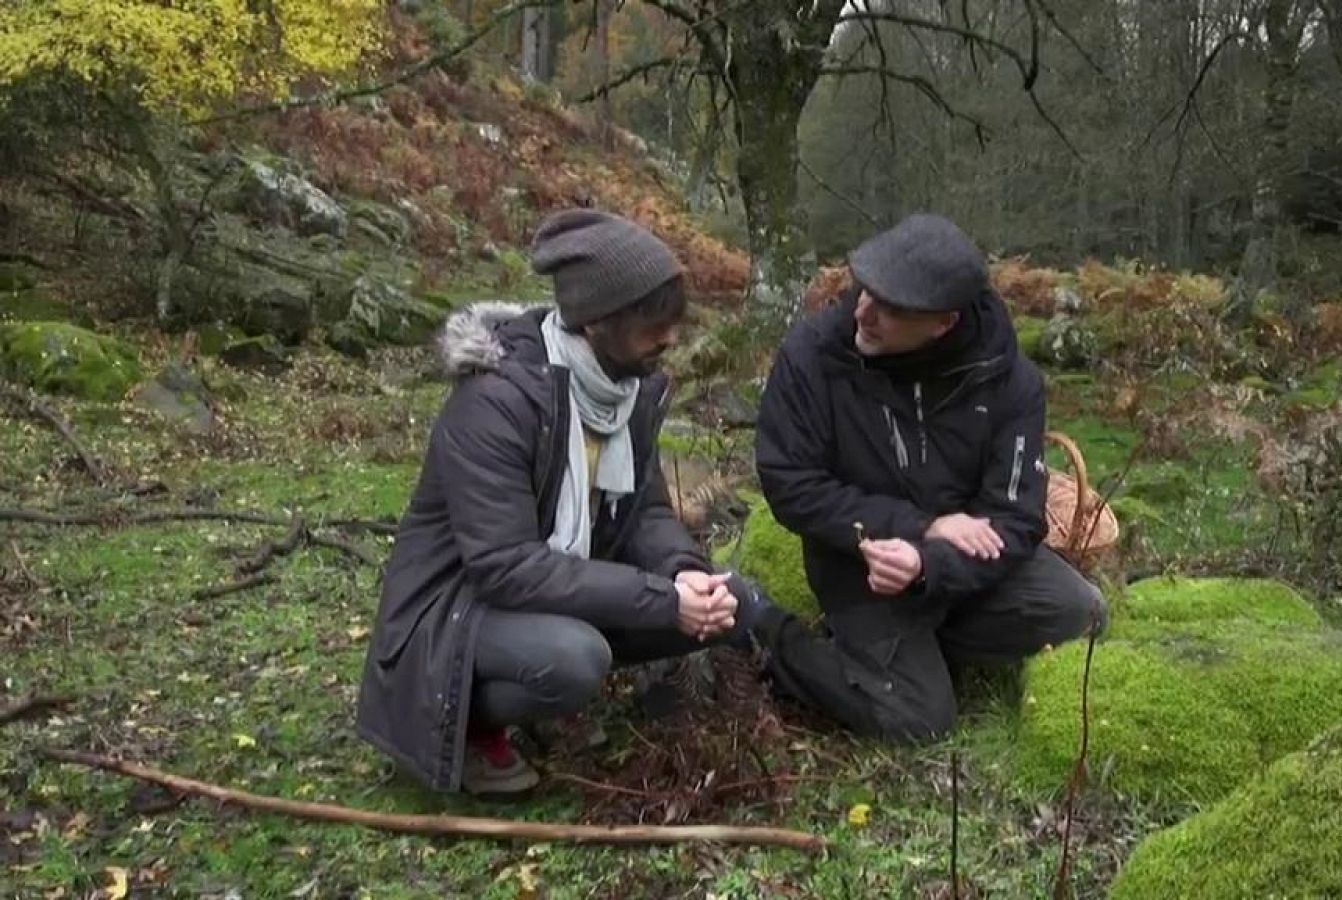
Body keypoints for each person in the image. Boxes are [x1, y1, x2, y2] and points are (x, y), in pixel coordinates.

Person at [356, 209, 760, 796]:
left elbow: (645, 511)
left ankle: (564, 696)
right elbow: (503, 566)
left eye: (672, 322)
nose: (668, 340)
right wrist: (659, 601)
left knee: (734, 601)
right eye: (652, 324)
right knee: (573, 660)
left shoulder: (630, 392)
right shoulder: (496, 402)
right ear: (595, 323)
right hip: (453, 611)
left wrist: (685, 575)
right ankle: (467, 728)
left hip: (559, 584)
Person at [750, 213, 1107, 741]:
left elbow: (1013, 519)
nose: (863, 314)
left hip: (959, 565)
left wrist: (927, 565)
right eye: (864, 290)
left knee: (1081, 613)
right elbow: (789, 483)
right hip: (859, 563)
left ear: (943, 323)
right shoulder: (814, 354)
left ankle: (912, 649)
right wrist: (919, 527)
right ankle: (763, 627)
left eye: (890, 309)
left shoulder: (1009, 382)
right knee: (919, 719)